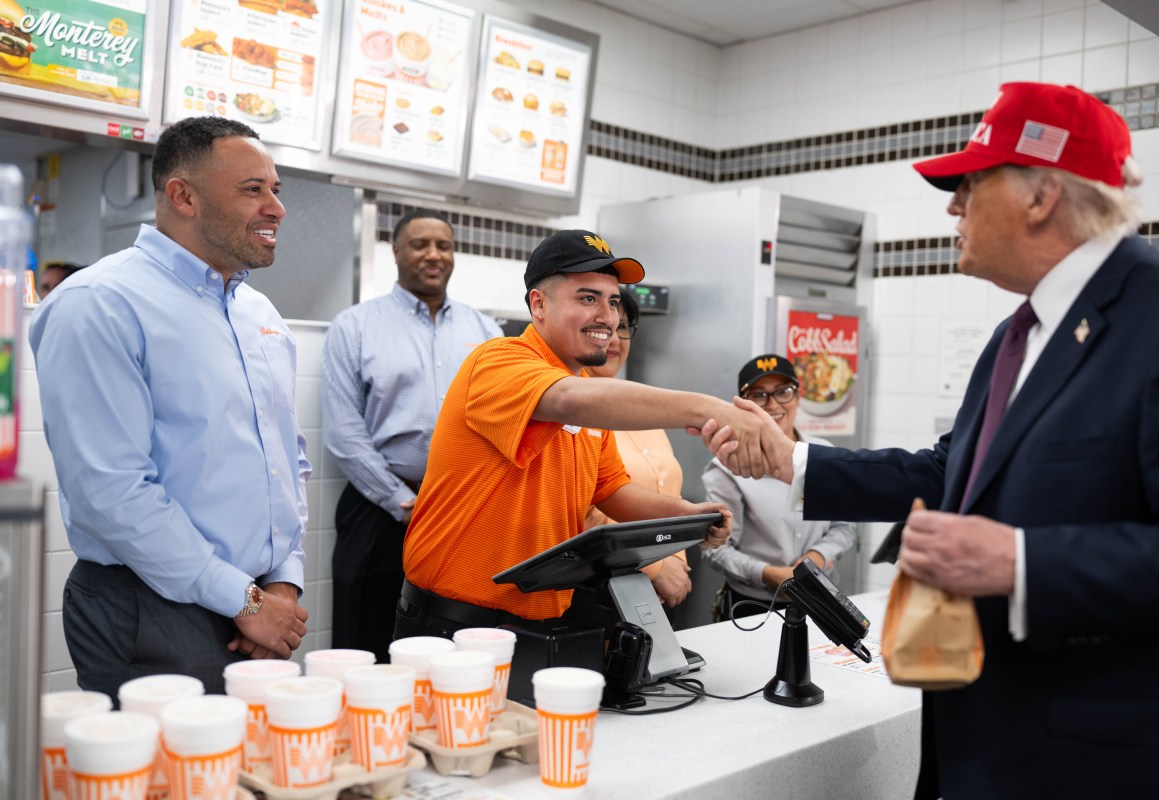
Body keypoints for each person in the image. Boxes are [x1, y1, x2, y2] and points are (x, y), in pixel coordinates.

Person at [701, 83, 1159, 799]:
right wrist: (792, 460)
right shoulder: (1015, 336)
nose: (952, 206)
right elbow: (949, 472)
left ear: (1041, 195)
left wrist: (1022, 561)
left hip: (1105, 760)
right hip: (981, 741)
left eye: (969, 184)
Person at [29, 116, 310, 702]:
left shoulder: (258, 313)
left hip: (259, 606)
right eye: (253, 189)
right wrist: (246, 599)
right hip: (151, 607)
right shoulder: (99, 304)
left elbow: (288, 463)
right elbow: (113, 490)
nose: (277, 209)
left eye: (275, 190)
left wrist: (283, 583)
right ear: (183, 196)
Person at [394, 229, 772, 638]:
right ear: (538, 304)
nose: (607, 317)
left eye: (612, 301)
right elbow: (568, 399)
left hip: (542, 620)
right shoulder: (497, 362)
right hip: (455, 622)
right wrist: (710, 408)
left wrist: (685, 514)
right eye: (587, 298)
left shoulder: (588, 390)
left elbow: (611, 491)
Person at [322, 208, 502, 662]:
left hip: (461, 506)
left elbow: (499, 420)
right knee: (367, 637)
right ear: (396, 251)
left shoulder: (485, 332)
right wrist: (403, 504)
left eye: (443, 245)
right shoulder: (355, 326)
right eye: (420, 244)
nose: (433, 255)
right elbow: (344, 432)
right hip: (379, 507)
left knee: (455, 631)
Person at [701, 354, 855, 619]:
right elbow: (715, 548)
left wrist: (818, 557)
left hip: (821, 599)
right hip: (754, 606)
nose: (772, 405)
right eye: (759, 395)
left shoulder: (824, 455)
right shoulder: (728, 467)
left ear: (797, 396)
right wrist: (768, 574)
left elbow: (844, 525)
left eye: (783, 392)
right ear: (742, 405)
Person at [581, 287, 692, 609]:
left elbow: (668, 492)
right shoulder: (567, 409)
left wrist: (675, 561)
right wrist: (656, 566)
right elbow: (582, 512)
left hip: (659, 590)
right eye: (606, 328)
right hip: (597, 586)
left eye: (624, 327)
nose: (614, 339)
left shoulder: (642, 409)